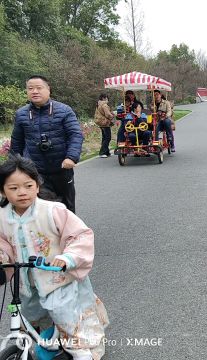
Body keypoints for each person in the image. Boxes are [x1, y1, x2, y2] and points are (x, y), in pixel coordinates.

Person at [0, 155, 109, 360]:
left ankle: (81, 354)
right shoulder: (2, 217)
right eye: (13, 188)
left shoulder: (53, 211)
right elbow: (3, 245)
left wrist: (68, 257)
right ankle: (47, 346)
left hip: (57, 280)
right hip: (24, 281)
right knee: (32, 316)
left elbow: (80, 235)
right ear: (2, 191)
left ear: (37, 186)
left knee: (67, 320)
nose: (22, 192)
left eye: (28, 185)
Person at [10, 75, 83, 213]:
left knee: (67, 207)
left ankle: (69, 233)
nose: (34, 91)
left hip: (62, 168)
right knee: (42, 208)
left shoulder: (64, 110)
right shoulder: (21, 114)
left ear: (48, 89)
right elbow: (16, 143)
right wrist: (12, 169)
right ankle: (46, 234)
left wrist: (71, 157)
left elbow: (75, 134)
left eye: (39, 88)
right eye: (30, 88)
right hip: (35, 171)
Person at [94, 94, 115, 158]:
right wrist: (113, 116)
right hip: (105, 123)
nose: (107, 100)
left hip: (100, 122)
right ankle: (102, 152)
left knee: (104, 137)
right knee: (108, 138)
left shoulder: (98, 104)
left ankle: (106, 152)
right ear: (104, 98)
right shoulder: (104, 105)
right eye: (107, 98)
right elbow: (108, 114)